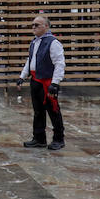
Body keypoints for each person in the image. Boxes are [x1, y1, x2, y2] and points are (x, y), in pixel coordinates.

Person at [15, 16, 65, 150]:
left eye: (37, 25)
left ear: (46, 26)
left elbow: (59, 64)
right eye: (32, 25)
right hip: (35, 81)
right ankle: (39, 138)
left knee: (53, 111)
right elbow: (30, 60)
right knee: (38, 111)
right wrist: (22, 76)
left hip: (47, 83)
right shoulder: (34, 42)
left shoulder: (53, 42)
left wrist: (55, 83)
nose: (33, 27)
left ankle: (59, 139)